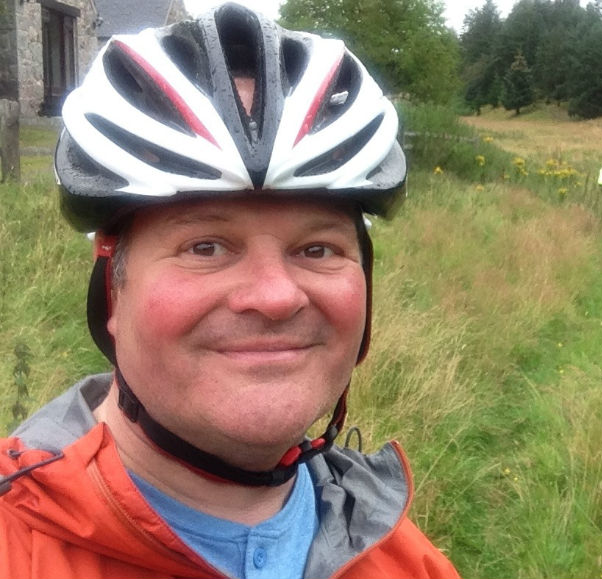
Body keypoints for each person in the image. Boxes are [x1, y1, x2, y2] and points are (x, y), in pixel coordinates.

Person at [0, 4, 460, 579]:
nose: (274, 297)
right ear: (113, 292)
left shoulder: (405, 562)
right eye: (206, 248)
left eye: (316, 249)